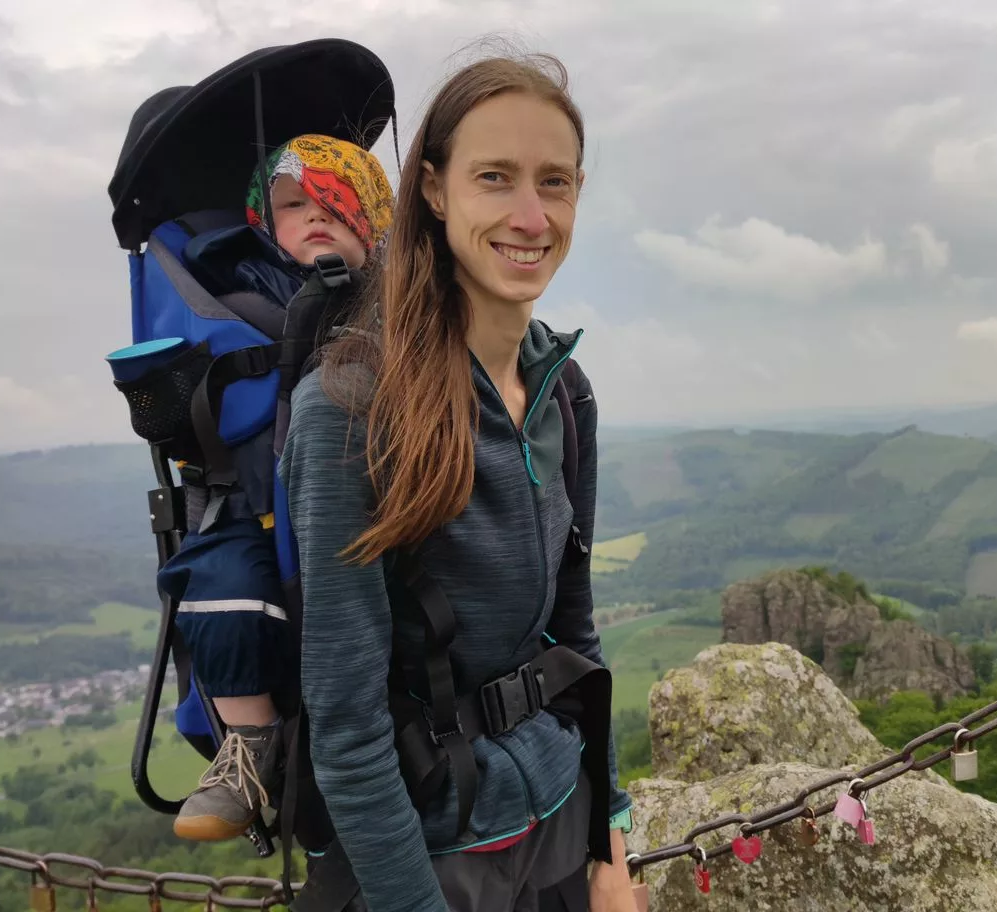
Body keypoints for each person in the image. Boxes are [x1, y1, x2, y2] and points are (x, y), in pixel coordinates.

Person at [278, 51, 637, 912]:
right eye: (495, 177)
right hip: (432, 858)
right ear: (434, 192)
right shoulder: (350, 410)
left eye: (555, 182)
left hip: (558, 820)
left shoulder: (565, 392)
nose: (530, 214)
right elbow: (351, 730)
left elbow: (575, 641)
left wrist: (610, 845)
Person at [160, 133, 393, 842]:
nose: (315, 214)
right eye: (294, 205)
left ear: (374, 218)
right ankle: (249, 744)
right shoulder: (235, 289)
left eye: (335, 201)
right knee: (217, 584)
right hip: (253, 510)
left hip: (365, 509)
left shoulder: (399, 305)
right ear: (264, 223)